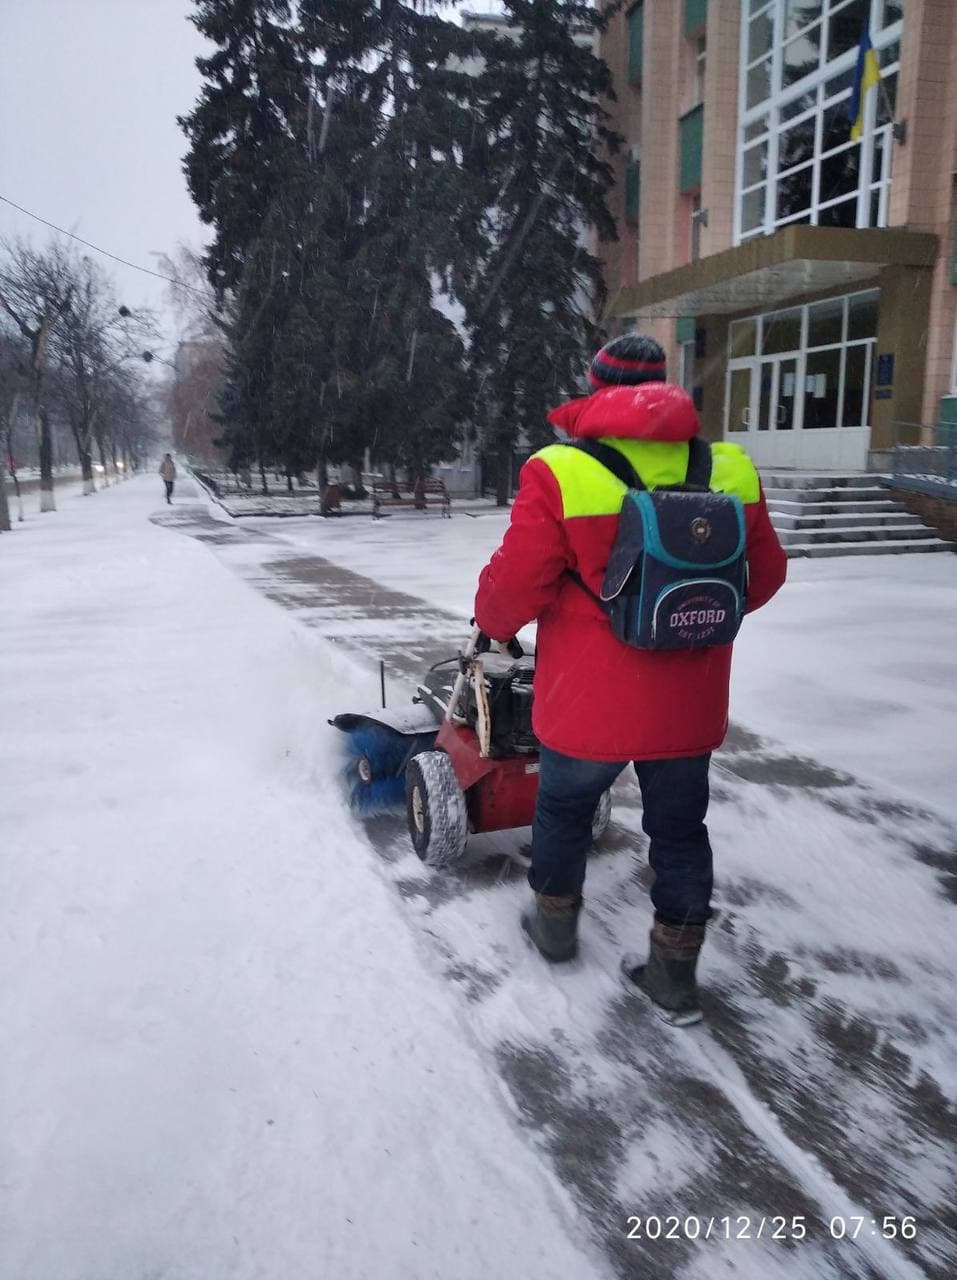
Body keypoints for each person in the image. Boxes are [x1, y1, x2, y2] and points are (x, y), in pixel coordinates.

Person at [473, 334, 787, 1025]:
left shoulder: (560, 469)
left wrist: (492, 618)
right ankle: (674, 975)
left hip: (587, 703)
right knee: (679, 831)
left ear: (594, 386)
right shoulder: (728, 466)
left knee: (561, 810)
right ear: (663, 385)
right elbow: (761, 579)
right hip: (687, 703)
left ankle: (553, 930)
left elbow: (515, 587)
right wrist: (689, 616)